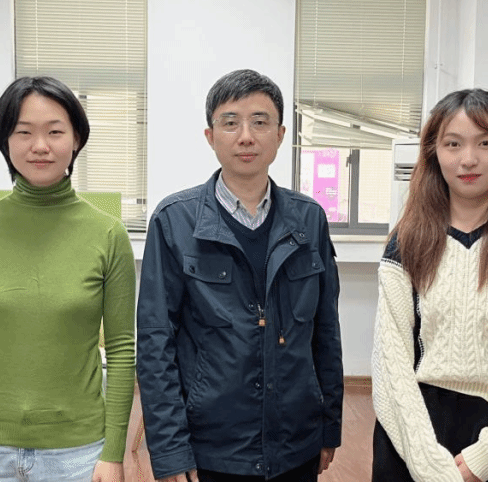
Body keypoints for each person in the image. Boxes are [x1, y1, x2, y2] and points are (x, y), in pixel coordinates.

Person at [136, 69, 343, 482]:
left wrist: (329, 426)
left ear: (280, 135)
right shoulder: (174, 221)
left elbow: (326, 332)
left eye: (260, 122)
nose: (246, 136)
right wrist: (171, 450)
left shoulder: (309, 219)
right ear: (210, 136)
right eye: (230, 122)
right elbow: (156, 343)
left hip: (295, 445)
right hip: (212, 450)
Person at [0, 76, 135, 482]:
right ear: (5, 141)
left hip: (77, 452)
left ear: (76, 139)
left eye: (55, 132)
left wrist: (113, 454)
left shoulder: (108, 235)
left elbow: (122, 350)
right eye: (23, 132)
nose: (40, 146)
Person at [373, 88, 488, 482]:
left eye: (486, 143)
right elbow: (391, 362)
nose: (468, 159)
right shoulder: (406, 242)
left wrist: (487, 457)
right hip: (412, 434)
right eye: (453, 144)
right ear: (434, 151)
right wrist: (428, 463)